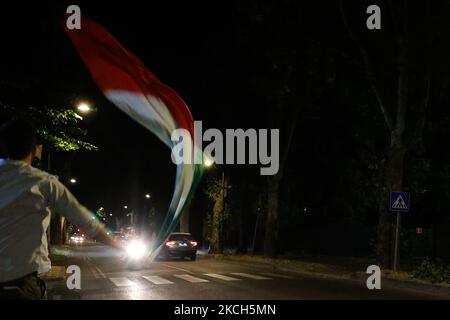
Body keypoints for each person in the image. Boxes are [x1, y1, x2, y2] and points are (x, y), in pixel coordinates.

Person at [0, 118, 120, 299]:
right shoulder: (44, 183)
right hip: (21, 283)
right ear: (35, 150)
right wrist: (119, 247)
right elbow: (88, 223)